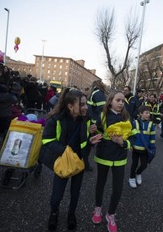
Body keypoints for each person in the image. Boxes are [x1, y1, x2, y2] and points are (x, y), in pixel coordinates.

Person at [41, 88, 101, 231]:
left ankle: (71, 214)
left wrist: (90, 141)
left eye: (86, 104)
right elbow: (47, 140)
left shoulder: (86, 120)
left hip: (79, 162)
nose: (86, 107)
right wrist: (65, 152)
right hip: (62, 161)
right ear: (70, 106)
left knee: (75, 193)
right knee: (57, 196)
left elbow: (84, 145)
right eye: (82, 104)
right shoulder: (56, 119)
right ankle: (54, 213)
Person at [92, 91, 137, 232]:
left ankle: (111, 215)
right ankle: (97, 209)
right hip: (103, 156)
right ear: (110, 101)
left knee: (118, 188)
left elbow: (134, 138)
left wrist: (123, 143)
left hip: (120, 158)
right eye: (118, 100)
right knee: (100, 184)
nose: (121, 103)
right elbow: (96, 133)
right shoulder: (102, 116)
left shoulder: (129, 118)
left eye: (123, 101)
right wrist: (92, 132)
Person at [128, 105, 156, 188]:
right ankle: (131, 177)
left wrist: (152, 148)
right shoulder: (134, 123)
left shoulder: (151, 124)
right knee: (134, 164)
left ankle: (138, 173)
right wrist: (130, 144)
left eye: (149, 113)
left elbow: (152, 137)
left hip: (145, 150)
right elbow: (130, 134)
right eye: (146, 113)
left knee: (144, 165)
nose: (148, 115)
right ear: (140, 113)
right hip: (135, 149)